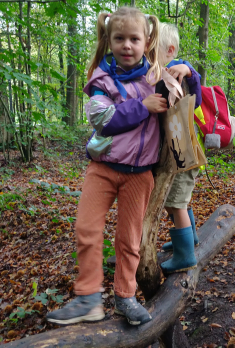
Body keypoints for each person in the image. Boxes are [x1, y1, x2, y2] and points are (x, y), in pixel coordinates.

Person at [46, 7, 167, 326]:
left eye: (134, 39)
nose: (127, 45)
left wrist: (183, 73)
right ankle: (88, 298)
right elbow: (102, 118)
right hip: (102, 169)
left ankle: (125, 297)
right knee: (87, 229)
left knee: (129, 240)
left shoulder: (155, 76)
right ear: (109, 40)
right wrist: (142, 106)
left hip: (139, 175)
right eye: (119, 38)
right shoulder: (102, 78)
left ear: (146, 40)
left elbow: (185, 85)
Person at [156, 23, 203, 274]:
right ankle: (189, 237)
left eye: (152, 50)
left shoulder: (179, 71)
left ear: (169, 50)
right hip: (179, 151)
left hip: (183, 152)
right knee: (175, 201)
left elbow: (198, 92)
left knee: (176, 203)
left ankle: (185, 255)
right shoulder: (158, 72)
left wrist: (188, 69)